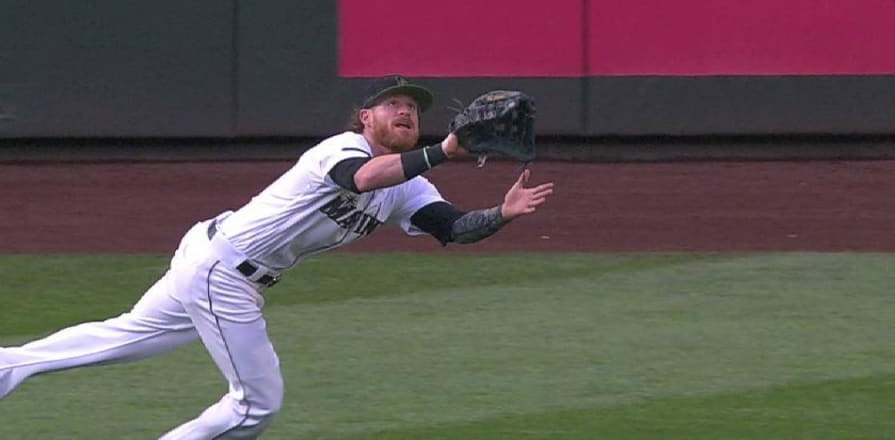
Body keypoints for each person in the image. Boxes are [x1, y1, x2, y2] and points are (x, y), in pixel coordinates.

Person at [0, 75, 555, 439]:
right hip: (225, 272)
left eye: (414, 107)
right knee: (256, 404)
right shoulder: (342, 150)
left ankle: (6, 364)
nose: (407, 112)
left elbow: (454, 228)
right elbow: (360, 179)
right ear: (366, 117)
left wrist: (501, 214)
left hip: (213, 256)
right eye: (394, 104)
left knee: (122, 337)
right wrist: (448, 152)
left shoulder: (409, 186)